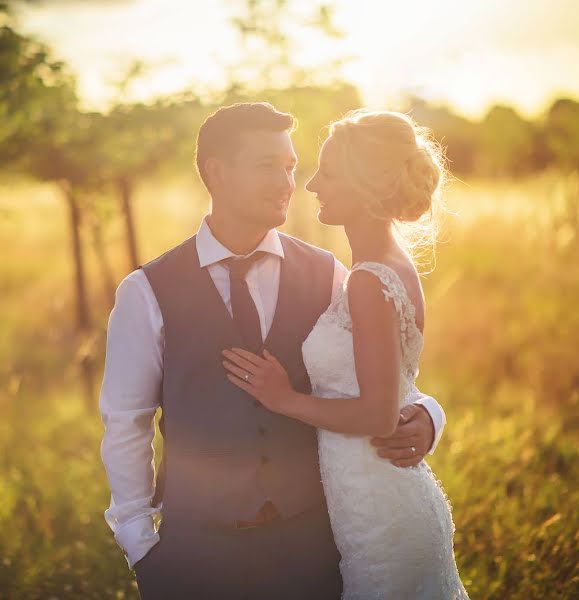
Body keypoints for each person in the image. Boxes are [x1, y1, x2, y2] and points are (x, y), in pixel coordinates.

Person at [99, 102, 447, 599]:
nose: (289, 182)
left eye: (291, 166)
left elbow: (383, 375)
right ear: (216, 173)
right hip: (196, 554)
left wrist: (429, 417)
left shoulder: (331, 275)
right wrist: (143, 549)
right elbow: (125, 423)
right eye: (267, 166)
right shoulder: (146, 290)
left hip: (313, 549)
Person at [222, 108, 469, 598]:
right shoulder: (378, 270)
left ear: (364, 184)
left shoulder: (368, 281)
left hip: (381, 511)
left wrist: (283, 398)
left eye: (328, 172)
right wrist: (427, 413)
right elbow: (399, 387)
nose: (311, 184)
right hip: (372, 503)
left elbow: (379, 414)